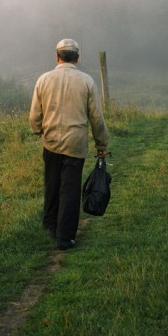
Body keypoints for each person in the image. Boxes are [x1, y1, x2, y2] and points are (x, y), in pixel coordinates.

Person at [29, 38, 109, 250]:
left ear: (57, 56)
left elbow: (35, 115)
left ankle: (50, 225)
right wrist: (101, 145)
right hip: (76, 144)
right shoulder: (87, 81)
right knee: (70, 189)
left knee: (52, 185)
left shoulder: (44, 79)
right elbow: (96, 118)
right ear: (77, 58)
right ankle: (65, 237)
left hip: (51, 142)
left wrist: (39, 131)